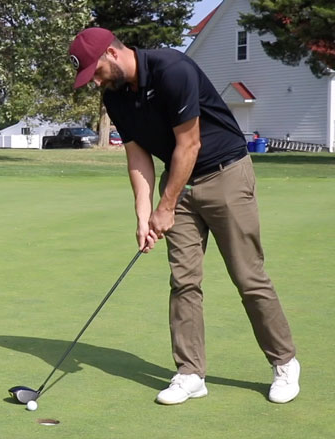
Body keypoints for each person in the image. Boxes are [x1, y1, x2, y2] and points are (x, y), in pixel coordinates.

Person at [68, 27, 300, 405]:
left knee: (248, 277)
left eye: (95, 71)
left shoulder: (172, 68)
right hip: (178, 185)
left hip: (225, 173)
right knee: (184, 281)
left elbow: (189, 144)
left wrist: (166, 206)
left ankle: (285, 363)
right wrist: (144, 215)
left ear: (112, 53)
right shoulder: (115, 98)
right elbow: (138, 156)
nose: (94, 82)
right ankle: (191, 373)